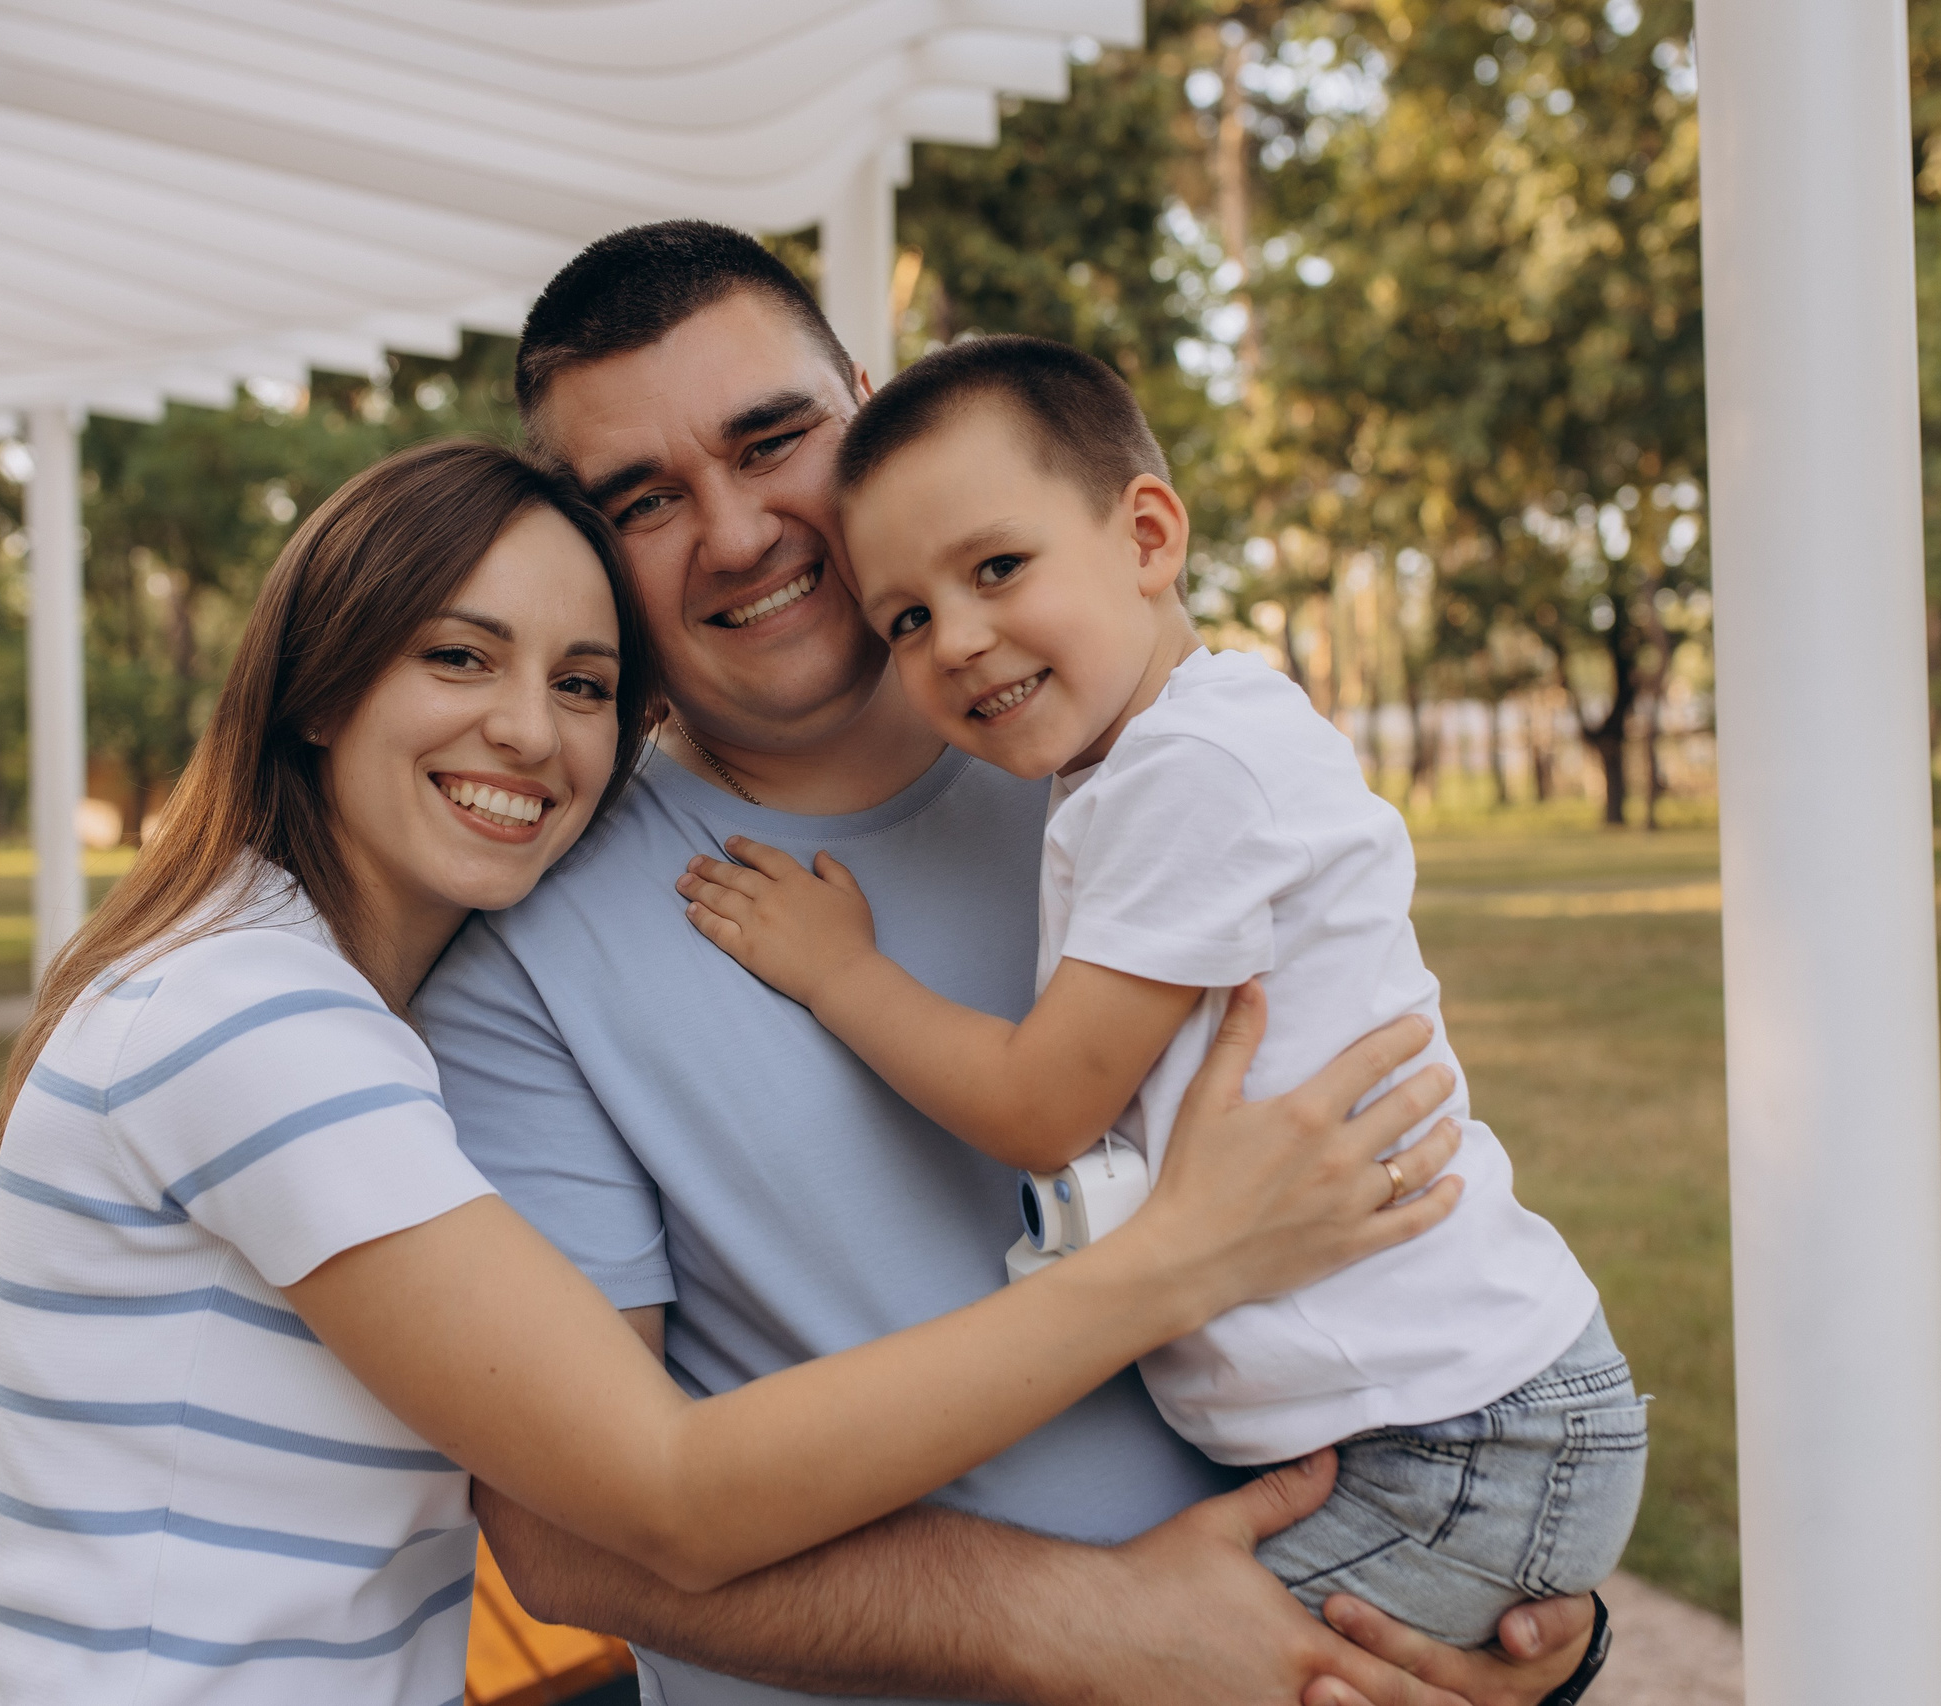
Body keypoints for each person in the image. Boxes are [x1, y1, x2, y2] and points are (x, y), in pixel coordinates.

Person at [0, 440, 1460, 1706]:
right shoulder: (254, 1022)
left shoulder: (291, 993)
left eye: (584, 680)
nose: (527, 728)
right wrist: (1172, 1261)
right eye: (458, 655)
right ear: (318, 683)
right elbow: (662, 1490)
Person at [419, 221, 1605, 1705]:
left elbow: (1401, 1201)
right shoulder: (523, 949)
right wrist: (1075, 1621)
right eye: (643, 500)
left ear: (869, 406)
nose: (733, 534)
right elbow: (570, 1539)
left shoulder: (1123, 770)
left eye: (772, 438)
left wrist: (1497, 1613)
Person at [677, 334, 1647, 1648]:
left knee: (1173, 1665)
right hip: (1428, 1419)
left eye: (997, 568)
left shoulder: (1195, 772)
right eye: (906, 616)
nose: (956, 639)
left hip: (1452, 1432)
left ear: (1146, 537)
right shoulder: (1141, 762)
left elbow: (1040, 1105)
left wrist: (840, 972)